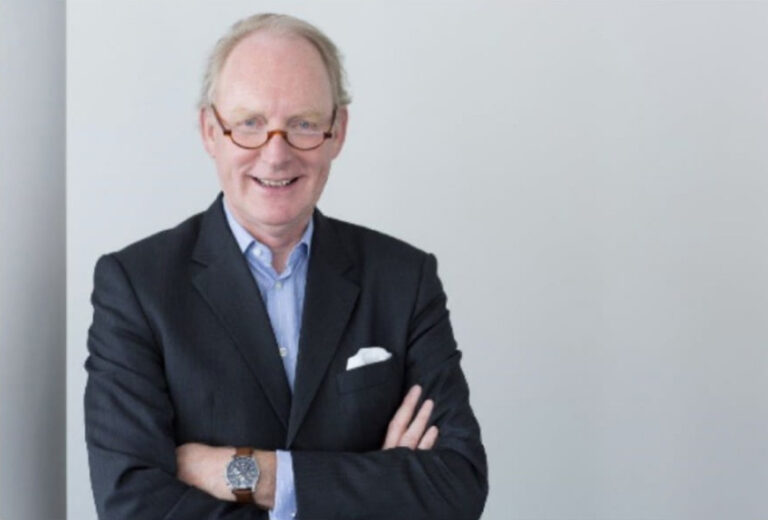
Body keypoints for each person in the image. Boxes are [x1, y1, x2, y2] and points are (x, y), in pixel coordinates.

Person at [84, 13, 487, 520]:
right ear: (210, 131)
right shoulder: (137, 287)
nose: (276, 155)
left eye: (303, 124)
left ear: (337, 131)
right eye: (250, 123)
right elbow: (133, 505)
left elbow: (457, 486)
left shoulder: (404, 279)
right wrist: (375, 484)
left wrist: (257, 474)